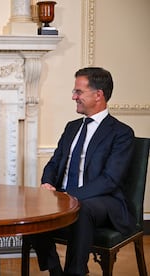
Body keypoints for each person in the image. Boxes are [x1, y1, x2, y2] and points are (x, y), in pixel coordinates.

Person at [29, 67, 136, 276]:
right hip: (65, 196)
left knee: (82, 208)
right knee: (30, 206)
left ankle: (75, 272)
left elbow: (110, 180)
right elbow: (54, 163)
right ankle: (54, 270)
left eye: (78, 92)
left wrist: (70, 197)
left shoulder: (121, 133)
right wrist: (47, 184)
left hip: (103, 201)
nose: (73, 97)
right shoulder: (72, 127)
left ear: (98, 95)